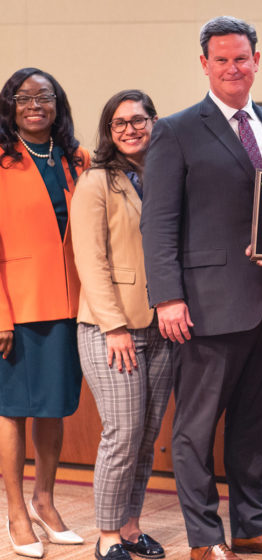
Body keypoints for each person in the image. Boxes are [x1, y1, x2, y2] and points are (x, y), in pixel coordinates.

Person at [140, 16, 262, 560]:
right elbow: (158, 221)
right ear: (204, 64)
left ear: (257, 60)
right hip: (207, 307)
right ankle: (205, 538)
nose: (234, 67)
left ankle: (253, 527)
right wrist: (167, 296)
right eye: (222, 59)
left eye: (242, 58)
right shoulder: (176, 129)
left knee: (255, 426)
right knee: (194, 431)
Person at [71, 89, 172, 560]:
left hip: (161, 327)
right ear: (109, 132)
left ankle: (131, 527)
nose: (130, 129)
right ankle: (107, 535)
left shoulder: (169, 175)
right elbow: (89, 261)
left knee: (147, 433)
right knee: (122, 432)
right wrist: (114, 327)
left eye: (138, 119)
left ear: (155, 121)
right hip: (111, 329)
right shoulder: (96, 181)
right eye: (119, 123)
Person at [0, 67, 89, 559]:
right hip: (17, 304)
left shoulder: (78, 158)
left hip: (72, 304)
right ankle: (16, 511)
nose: (35, 104)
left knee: (53, 407)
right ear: (9, 105)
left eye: (45, 96)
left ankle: (45, 502)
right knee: (12, 410)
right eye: (23, 97)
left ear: (58, 103)